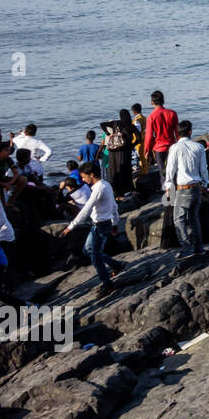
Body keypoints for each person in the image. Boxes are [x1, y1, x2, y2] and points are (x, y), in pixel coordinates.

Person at [60, 162, 126, 294]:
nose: (83, 180)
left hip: (100, 226)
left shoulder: (99, 189)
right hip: (102, 224)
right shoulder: (105, 184)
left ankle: (107, 284)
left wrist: (71, 226)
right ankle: (117, 265)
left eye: (84, 177)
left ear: (92, 175)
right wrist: (115, 223)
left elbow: (86, 209)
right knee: (88, 250)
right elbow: (114, 206)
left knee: (95, 257)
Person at [162, 121, 209, 265]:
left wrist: (169, 188)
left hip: (183, 188)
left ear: (177, 133)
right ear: (190, 132)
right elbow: (204, 168)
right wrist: (205, 183)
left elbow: (170, 170)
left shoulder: (175, 148)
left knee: (179, 219)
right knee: (194, 218)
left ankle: (187, 247)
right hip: (196, 187)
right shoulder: (199, 147)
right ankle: (198, 247)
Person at [143, 91, 179, 182]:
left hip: (159, 148)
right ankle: (175, 190)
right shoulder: (172, 113)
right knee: (174, 171)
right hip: (172, 146)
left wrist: (147, 150)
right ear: (163, 100)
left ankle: (167, 193)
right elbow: (177, 132)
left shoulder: (151, 117)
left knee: (163, 173)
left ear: (152, 102)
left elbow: (149, 136)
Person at [100, 110, 138, 196]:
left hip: (114, 151)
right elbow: (139, 138)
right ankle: (128, 189)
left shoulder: (115, 123)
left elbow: (102, 124)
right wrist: (132, 145)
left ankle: (116, 191)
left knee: (114, 170)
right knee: (127, 170)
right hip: (126, 151)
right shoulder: (131, 126)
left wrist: (108, 134)